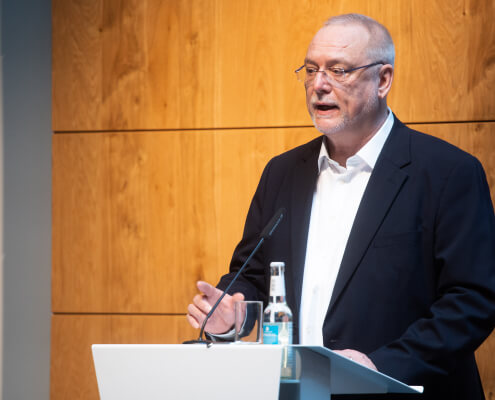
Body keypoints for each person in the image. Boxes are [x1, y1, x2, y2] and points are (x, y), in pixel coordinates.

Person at [187, 13, 495, 399]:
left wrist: (382, 366)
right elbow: (253, 275)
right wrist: (234, 312)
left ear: (383, 80)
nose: (319, 85)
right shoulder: (282, 173)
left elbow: (473, 301)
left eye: (338, 70)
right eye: (311, 70)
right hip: (301, 390)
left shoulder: (448, 172)